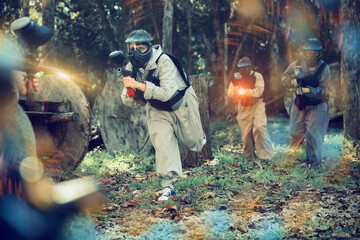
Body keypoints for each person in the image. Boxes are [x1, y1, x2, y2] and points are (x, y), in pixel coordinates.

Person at [121, 29, 206, 201]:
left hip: (180, 101)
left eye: (141, 48)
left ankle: (199, 137)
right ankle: (169, 186)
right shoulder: (131, 68)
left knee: (193, 142)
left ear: (149, 47)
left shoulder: (164, 61)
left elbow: (168, 93)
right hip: (157, 108)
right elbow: (127, 99)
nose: (136, 52)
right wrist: (131, 92)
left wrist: (140, 85)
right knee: (162, 141)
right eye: (132, 48)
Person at [282, 38, 330, 168]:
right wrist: (293, 82)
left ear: (319, 53)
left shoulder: (324, 68)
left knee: (314, 135)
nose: (312, 56)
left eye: (315, 53)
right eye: (308, 52)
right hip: (299, 103)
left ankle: (313, 165)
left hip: (318, 105)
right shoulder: (296, 65)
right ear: (304, 52)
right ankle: (294, 159)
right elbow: (284, 78)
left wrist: (308, 90)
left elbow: (325, 90)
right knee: (294, 133)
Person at [227, 57, 274, 166]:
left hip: (257, 105)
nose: (244, 70)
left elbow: (259, 91)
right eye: (242, 68)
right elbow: (230, 92)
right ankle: (250, 159)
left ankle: (266, 156)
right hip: (243, 107)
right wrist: (236, 90)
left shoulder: (257, 76)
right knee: (246, 134)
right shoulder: (236, 77)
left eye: (247, 67)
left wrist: (244, 92)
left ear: (250, 67)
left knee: (259, 128)